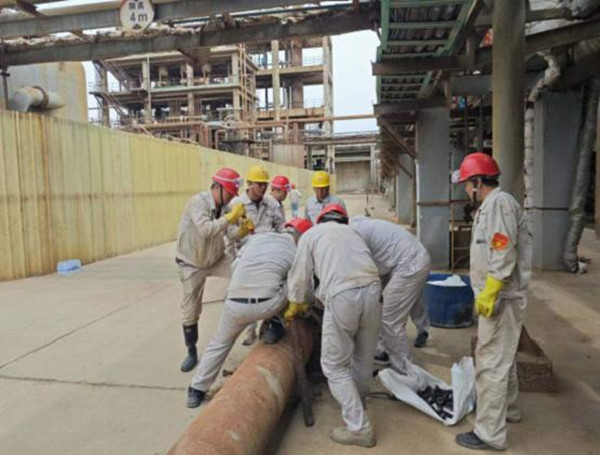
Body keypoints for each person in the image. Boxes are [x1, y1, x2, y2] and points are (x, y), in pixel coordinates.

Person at [186, 218, 313, 408]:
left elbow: (235, 267)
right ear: (301, 238)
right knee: (293, 284)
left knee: (219, 343)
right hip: (267, 305)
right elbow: (301, 286)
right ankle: (275, 325)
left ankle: (196, 390)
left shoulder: (257, 239)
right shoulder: (295, 252)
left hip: (234, 303)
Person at [286, 203, 381, 448]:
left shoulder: (311, 235)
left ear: (321, 219)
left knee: (334, 366)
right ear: (343, 220)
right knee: (363, 358)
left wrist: (296, 302)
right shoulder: (354, 233)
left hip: (343, 296)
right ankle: (357, 402)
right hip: (373, 290)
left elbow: (300, 277)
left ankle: (359, 428)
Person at [454, 153, 532, 451]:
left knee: (490, 363)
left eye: (467, 184)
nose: (465, 190)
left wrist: (490, 291)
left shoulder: (499, 204)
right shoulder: (489, 207)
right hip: (498, 295)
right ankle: (508, 409)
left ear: (478, 182)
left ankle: (489, 432)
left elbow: (503, 250)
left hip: (501, 298)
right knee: (503, 357)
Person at [175, 168, 254, 373]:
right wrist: (230, 217)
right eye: (229, 193)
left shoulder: (226, 207)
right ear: (217, 187)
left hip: (216, 259)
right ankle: (191, 351)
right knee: (190, 309)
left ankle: (256, 327)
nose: (231, 198)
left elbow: (230, 235)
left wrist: (242, 230)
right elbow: (206, 230)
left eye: (233, 194)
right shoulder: (197, 203)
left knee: (243, 277)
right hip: (191, 263)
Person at [350, 216, 431, 373]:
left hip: (409, 264)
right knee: (392, 304)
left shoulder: (352, 236)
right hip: (407, 257)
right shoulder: (355, 225)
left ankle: (405, 370)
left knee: (389, 317)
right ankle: (382, 350)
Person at [228, 165, 287, 346]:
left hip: (269, 254)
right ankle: (250, 330)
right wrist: (241, 234)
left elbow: (281, 227)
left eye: (264, 184)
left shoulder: (272, 204)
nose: (262, 188)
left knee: (274, 288)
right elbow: (229, 236)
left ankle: (273, 324)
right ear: (249, 184)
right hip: (247, 255)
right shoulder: (236, 204)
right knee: (249, 293)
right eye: (259, 184)